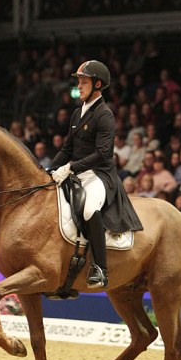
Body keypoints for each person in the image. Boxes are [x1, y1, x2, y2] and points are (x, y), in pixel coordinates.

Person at [49, 60, 143, 289]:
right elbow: (67, 149)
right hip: (78, 172)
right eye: (79, 82)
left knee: (90, 208)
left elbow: (102, 154)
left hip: (99, 175)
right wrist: (49, 170)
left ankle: (100, 268)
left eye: (84, 82)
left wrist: (70, 168)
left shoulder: (104, 115)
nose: (79, 87)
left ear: (97, 84)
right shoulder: (76, 114)